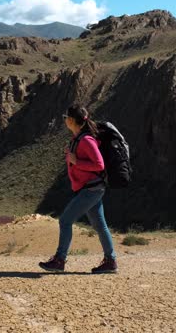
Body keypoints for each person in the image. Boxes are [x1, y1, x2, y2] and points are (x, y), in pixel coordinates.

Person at [39, 104, 118, 274]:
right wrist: (71, 156)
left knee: (65, 220)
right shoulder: (77, 138)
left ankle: (60, 260)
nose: (65, 119)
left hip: (91, 190)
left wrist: (76, 161)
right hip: (89, 189)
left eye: (66, 117)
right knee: (100, 225)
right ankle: (110, 261)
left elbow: (99, 164)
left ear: (73, 120)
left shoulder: (86, 140)